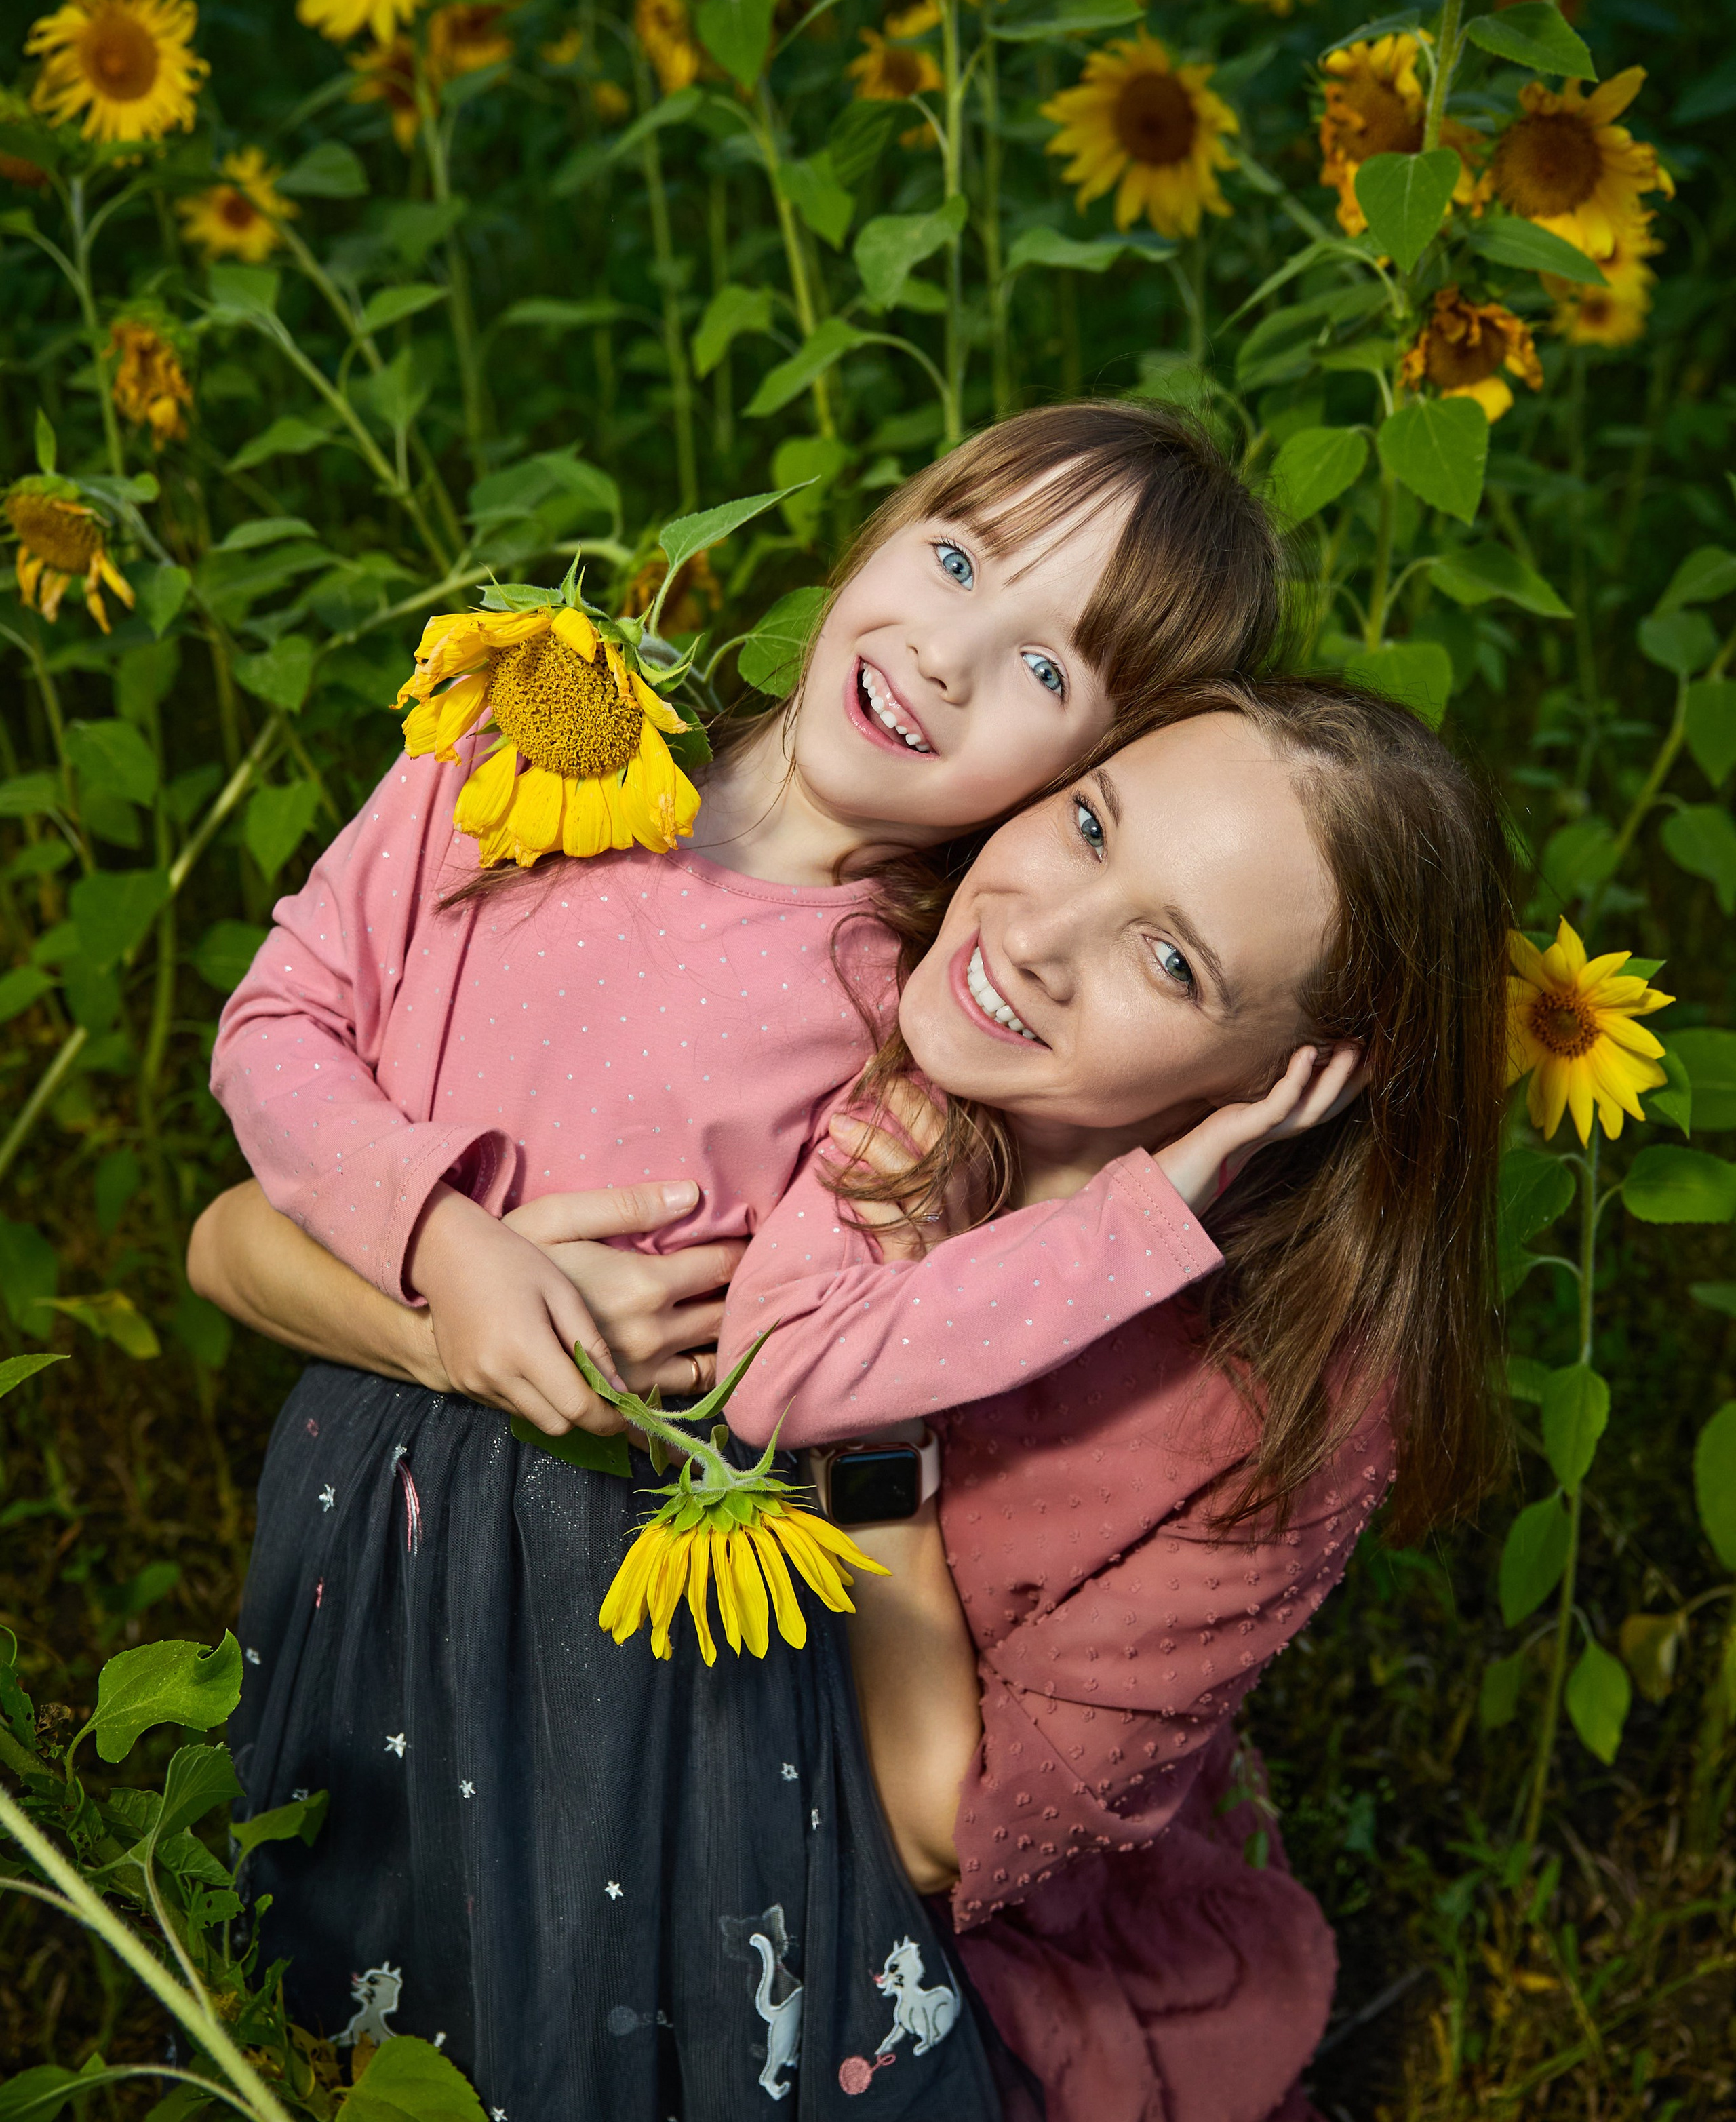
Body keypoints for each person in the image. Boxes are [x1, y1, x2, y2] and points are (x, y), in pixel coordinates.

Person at [200, 402, 1283, 2121]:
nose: (945, 656)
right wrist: (442, 1240)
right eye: (955, 558)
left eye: (1041, 670)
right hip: (368, 1467)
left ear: (1077, 776)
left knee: (577, 1975)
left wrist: (1139, 1219)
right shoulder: (534, 735)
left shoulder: (909, 1009)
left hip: (613, 1572)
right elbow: (281, 1022)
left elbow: (809, 1354)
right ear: (883, 526)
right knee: (358, 1903)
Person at [713, 678, 1512, 2122]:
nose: (1035, 937)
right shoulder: (837, 967)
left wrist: (876, 1423)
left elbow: (936, 1826)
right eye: (1088, 824)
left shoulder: (1285, 1406)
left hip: (918, 1915)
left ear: (1303, 1076)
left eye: (1169, 959)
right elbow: (288, 1233)